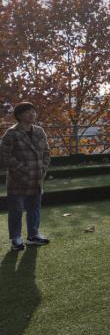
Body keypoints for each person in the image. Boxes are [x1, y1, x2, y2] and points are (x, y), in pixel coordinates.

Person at [1, 102, 51, 251]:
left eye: (33, 111)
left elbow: (47, 152)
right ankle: (16, 238)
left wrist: (43, 168)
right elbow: (4, 156)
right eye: (28, 112)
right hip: (18, 179)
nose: (32, 114)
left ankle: (33, 235)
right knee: (16, 210)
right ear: (19, 115)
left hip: (37, 178)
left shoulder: (39, 131)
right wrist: (22, 170)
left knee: (34, 208)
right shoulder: (11, 133)